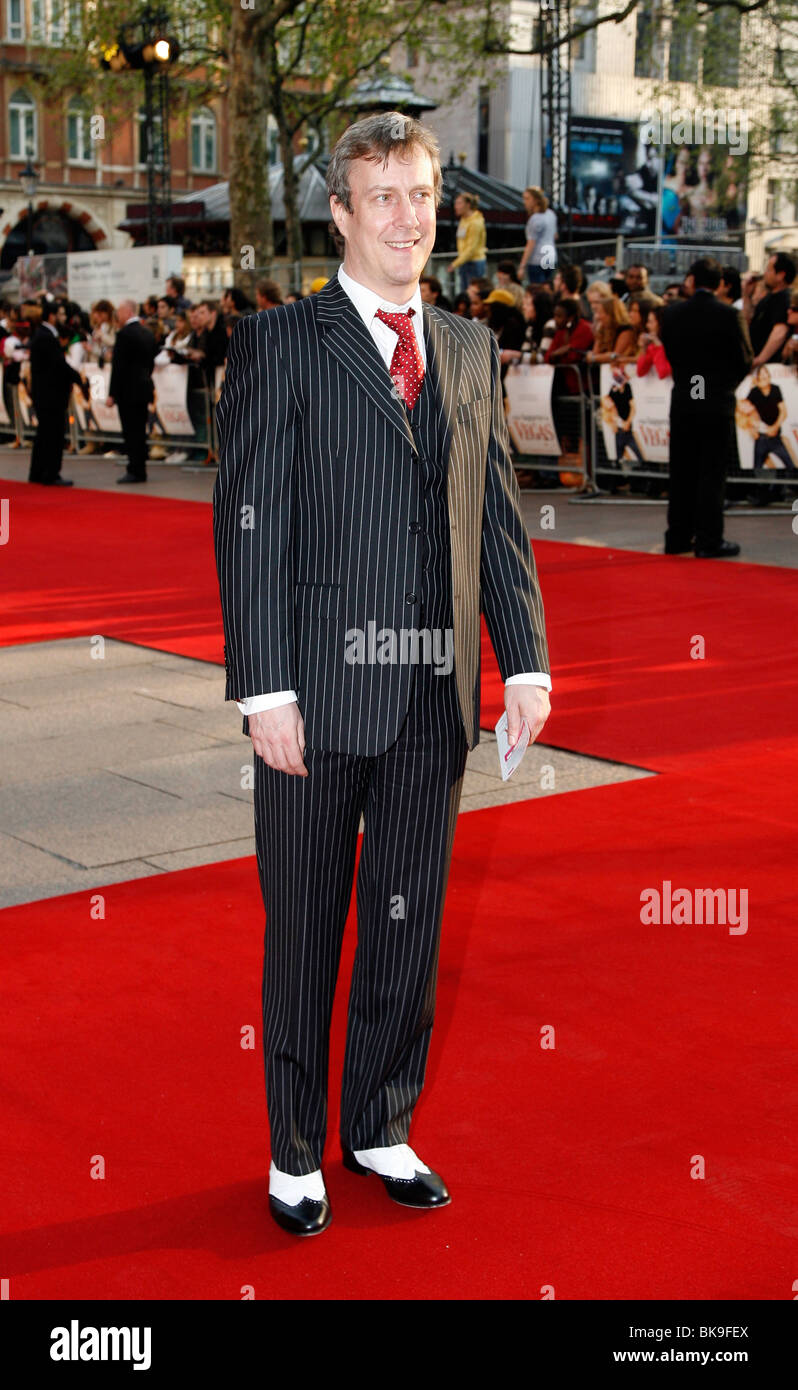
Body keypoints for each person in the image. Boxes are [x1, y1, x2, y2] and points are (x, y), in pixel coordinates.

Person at [213, 110, 551, 1239]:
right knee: (304, 924)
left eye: (423, 195)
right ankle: (296, 1148)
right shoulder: (278, 344)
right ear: (343, 213)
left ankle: (381, 1122)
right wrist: (264, 688)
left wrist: (529, 661)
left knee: (408, 922)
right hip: (313, 692)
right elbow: (249, 529)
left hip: (431, 693)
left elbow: (495, 515)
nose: (408, 217)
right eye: (384, 197)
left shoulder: (466, 347)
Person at [659, 256, 753, 558]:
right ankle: (708, 539)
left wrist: (691, 381)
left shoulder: (671, 315)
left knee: (682, 471)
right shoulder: (728, 315)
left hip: (684, 400)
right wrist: (721, 386)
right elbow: (744, 359)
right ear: (720, 283)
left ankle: (677, 537)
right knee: (711, 473)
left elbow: (672, 353)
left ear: (690, 281)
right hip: (714, 403)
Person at [28, 299, 88, 487]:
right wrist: (78, 379)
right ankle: (51, 473)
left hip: (45, 393)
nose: (63, 317)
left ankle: (37, 472)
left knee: (44, 434)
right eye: (61, 314)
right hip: (50, 395)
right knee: (53, 434)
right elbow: (59, 366)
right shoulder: (46, 336)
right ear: (52, 316)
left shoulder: (42, 334)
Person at [106, 299, 158, 484]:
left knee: (130, 431)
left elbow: (118, 367)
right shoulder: (147, 334)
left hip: (127, 392)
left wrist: (112, 393)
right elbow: (151, 362)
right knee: (140, 431)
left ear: (128, 312)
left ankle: (134, 469)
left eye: (119, 312)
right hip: (143, 388)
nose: (117, 316)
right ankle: (140, 468)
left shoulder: (124, 335)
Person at [736, 365, 797, 475]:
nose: (764, 376)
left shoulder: (775, 389)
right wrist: (753, 427)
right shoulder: (754, 392)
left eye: (766, 373)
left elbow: (783, 411)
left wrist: (775, 427)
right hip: (761, 439)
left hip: (776, 438)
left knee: (790, 466)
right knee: (756, 469)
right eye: (761, 374)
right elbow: (743, 408)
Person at [749, 253, 796, 368]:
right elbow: (749, 320)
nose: (765, 273)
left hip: (771, 368)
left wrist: (760, 359)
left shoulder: (783, 298)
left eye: (769, 269)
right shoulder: (769, 297)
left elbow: (779, 332)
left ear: (780, 275)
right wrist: (747, 295)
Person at [446, 191, 487, 292]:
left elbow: (471, 249)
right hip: (464, 261)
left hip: (474, 262)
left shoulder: (475, 223)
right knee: (464, 292)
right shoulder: (464, 219)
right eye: (456, 203)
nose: (456, 206)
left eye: (459, 203)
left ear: (468, 205)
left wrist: (455, 264)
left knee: (472, 292)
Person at [519, 186, 557, 285]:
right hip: (550, 255)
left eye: (527, 199)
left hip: (537, 258)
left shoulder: (535, 219)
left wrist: (522, 265)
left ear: (536, 200)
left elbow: (531, 243)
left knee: (537, 289)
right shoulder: (551, 214)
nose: (525, 202)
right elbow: (555, 235)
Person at [636, 305, 671, 379]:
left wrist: (659, 346)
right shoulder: (653, 346)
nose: (647, 325)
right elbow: (640, 372)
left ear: (661, 324)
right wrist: (643, 348)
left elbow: (663, 372)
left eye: (650, 322)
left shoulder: (674, 343)